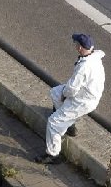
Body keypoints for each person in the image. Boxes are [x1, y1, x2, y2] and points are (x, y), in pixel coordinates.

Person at [35, 33, 106, 165]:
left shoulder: (83, 67)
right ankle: (69, 126)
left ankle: (53, 154)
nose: (75, 46)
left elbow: (72, 88)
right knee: (55, 92)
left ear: (79, 47)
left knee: (53, 122)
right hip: (87, 94)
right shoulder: (95, 58)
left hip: (82, 100)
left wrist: (64, 95)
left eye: (76, 44)